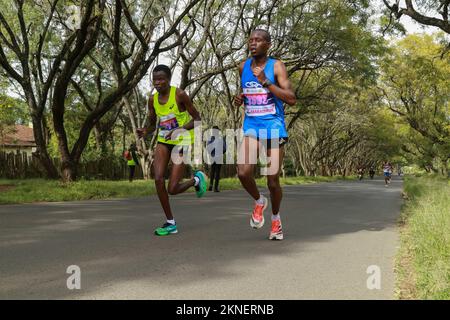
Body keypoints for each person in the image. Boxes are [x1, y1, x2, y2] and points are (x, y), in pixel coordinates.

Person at [234, 29, 296, 241]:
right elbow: (247, 92)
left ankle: (276, 219)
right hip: (252, 125)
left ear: (268, 44)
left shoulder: (276, 66)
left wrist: (267, 82)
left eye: (258, 40)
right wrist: (240, 98)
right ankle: (259, 201)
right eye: (251, 40)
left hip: (273, 127)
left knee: (272, 181)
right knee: (243, 172)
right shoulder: (242, 67)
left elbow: (291, 98)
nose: (253, 43)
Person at [137, 64, 207, 236]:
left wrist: (179, 129)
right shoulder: (152, 100)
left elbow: (197, 120)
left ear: (168, 80)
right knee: (158, 179)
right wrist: (145, 131)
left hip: (181, 140)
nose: (158, 83)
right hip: (164, 140)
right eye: (155, 79)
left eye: (161, 79)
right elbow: (153, 124)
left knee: (173, 189)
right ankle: (170, 223)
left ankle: (196, 181)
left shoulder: (179, 95)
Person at [207, 126, 226, 192]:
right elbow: (224, 148)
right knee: (217, 172)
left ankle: (211, 186)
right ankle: (215, 188)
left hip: (213, 156)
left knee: (212, 171)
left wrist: (212, 152)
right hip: (218, 156)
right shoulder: (221, 139)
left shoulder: (210, 139)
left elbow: (208, 148)